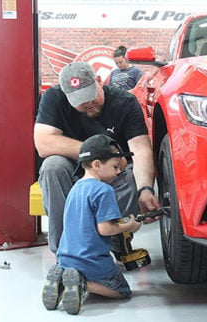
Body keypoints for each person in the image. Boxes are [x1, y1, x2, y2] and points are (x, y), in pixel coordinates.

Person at [34, 61, 159, 256]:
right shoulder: (53, 98)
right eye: (79, 101)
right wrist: (99, 154)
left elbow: (141, 149)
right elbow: (43, 143)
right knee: (52, 167)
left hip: (115, 168)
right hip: (77, 165)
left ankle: (118, 242)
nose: (87, 103)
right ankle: (65, 251)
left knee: (129, 175)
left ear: (99, 81)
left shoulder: (125, 102)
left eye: (90, 95)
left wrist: (145, 189)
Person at [42, 134, 142, 315]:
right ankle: (82, 283)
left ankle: (64, 279)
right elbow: (105, 229)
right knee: (122, 291)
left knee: (76, 270)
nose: (119, 172)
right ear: (96, 165)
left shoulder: (75, 188)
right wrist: (130, 226)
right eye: (115, 167)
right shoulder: (104, 190)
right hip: (91, 261)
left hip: (65, 259)